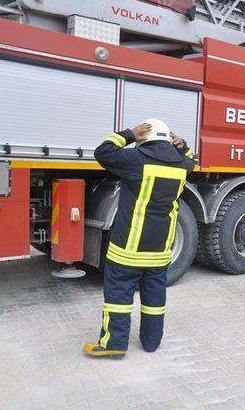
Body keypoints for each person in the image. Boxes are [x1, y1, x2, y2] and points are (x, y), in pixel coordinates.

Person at [83, 119, 195, 358]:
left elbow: (103, 152)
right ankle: (151, 342)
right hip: (160, 250)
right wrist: (183, 144)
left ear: (146, 138)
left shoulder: (136, 160)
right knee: (155, 297)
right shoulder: (182, 165)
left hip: (128, 249)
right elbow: (191, 158)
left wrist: (129, 134)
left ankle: (114, 343)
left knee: (118, 297)